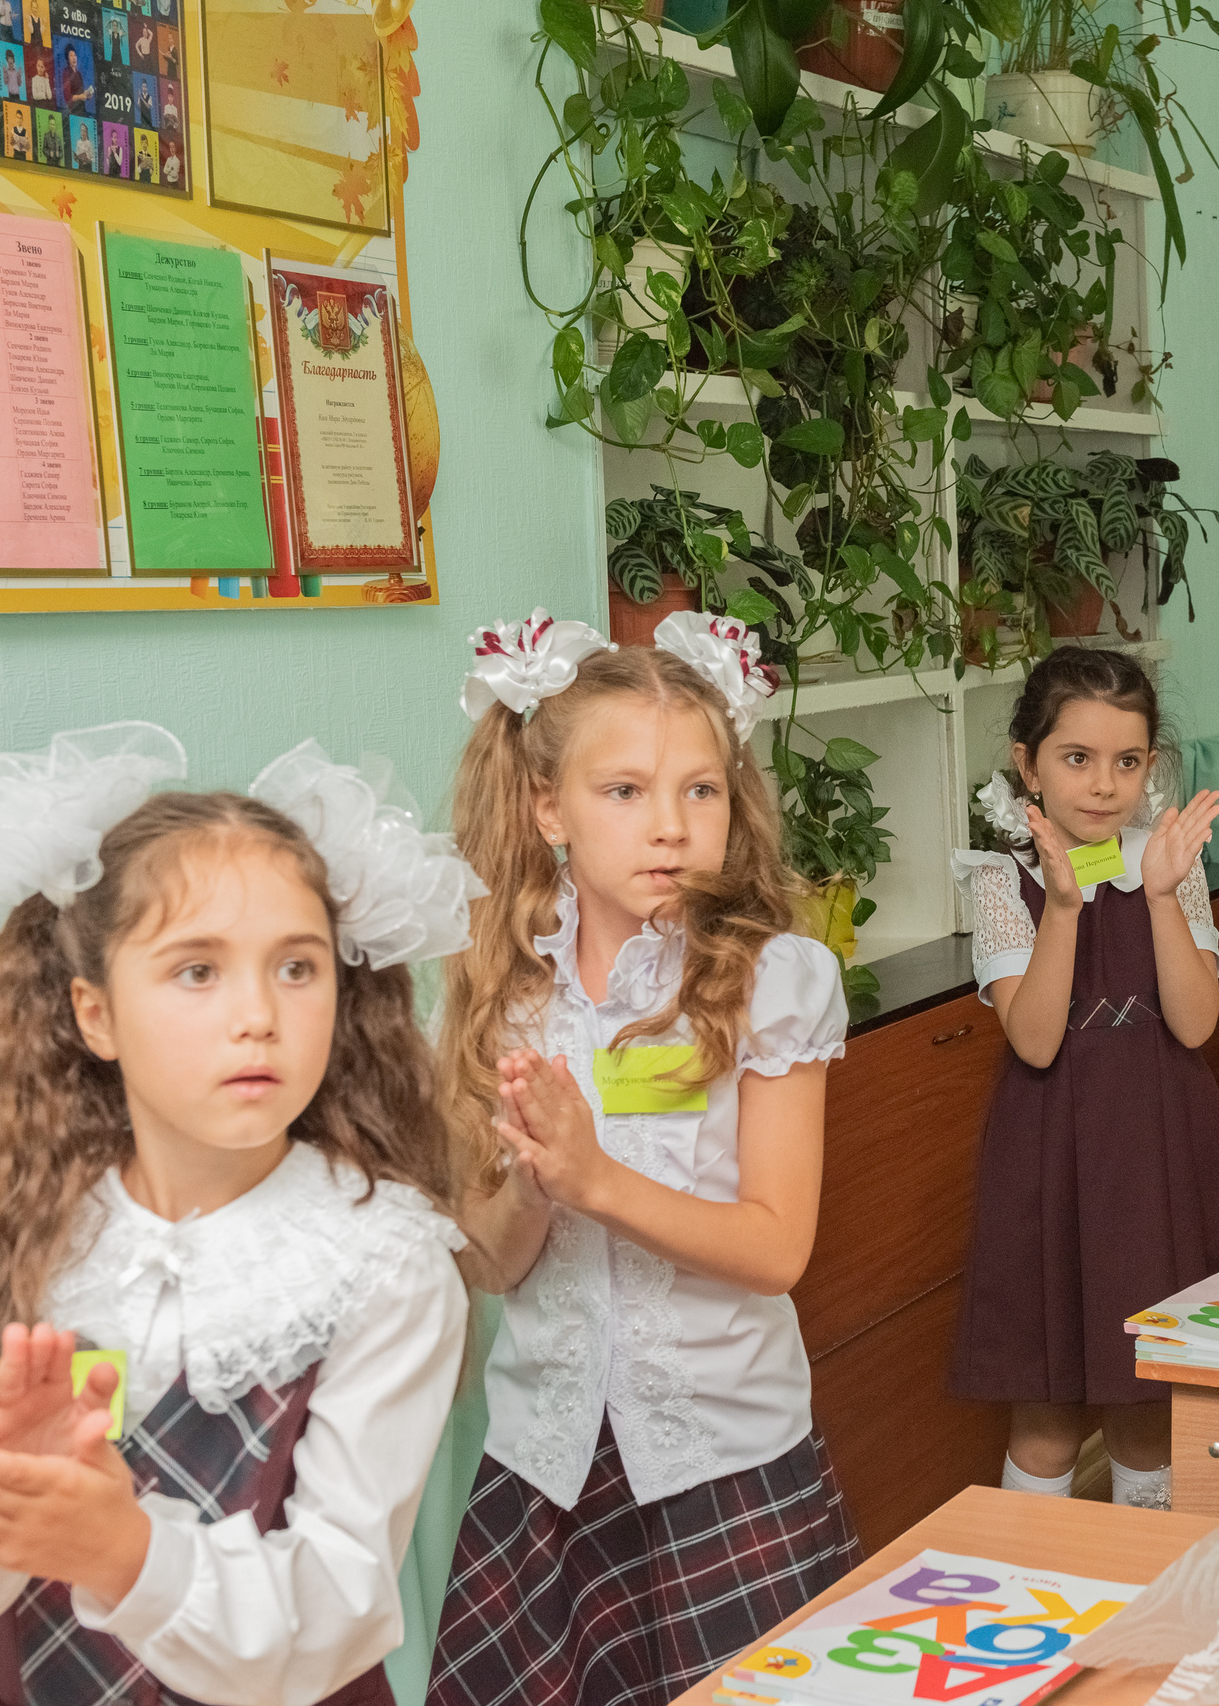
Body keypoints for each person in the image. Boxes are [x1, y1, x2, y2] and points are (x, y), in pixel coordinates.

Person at [0, 724, 480, 1705]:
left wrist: (125, 1549)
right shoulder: (20, 1228)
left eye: (297, 965)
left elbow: (338, 1602)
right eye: (197, 969)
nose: (259, 1013)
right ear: (95, 1011)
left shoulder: (382, 1255)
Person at [427, 611, 860, 1706]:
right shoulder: (506, 989)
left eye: (699, 790)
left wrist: (599, 1181)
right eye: (624, 790)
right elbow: (488, 1260)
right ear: (546, 806)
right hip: (547, 1466)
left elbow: (776, 1246)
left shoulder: (777, 978)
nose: (668, 825)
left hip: (726, 1457)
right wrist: (537, 1179)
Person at [948, 646, 1219, 1513]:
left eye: (1127, 761)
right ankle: (1028, 1587)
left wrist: (1160, 896)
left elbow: (1195, 1022)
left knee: (1147, 1403)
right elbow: (1036, 1040)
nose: (1102, 783)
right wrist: (1064, 906)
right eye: (1075, 758)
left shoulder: (1170, 862)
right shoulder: (1003, 879)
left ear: (1150, 764)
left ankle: (1143, 1598)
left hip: (1160, 1153)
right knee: (1045, 1407)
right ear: (1027, 763)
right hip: (1051, 1158)